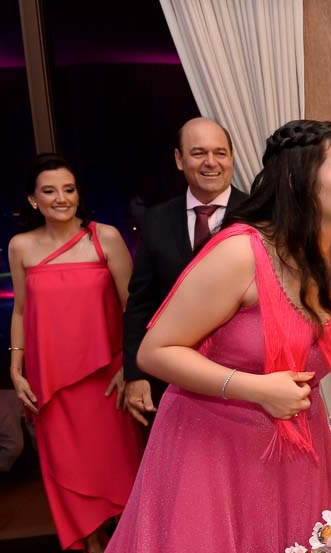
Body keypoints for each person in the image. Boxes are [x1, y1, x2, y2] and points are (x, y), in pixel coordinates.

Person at [50, 120, 331, 553]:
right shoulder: (242, 252)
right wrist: (252, 388)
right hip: (210, 457)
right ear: (298, 181)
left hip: (296, 453)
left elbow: (328, 346)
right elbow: (156, 351)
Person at [7, 153, 143, 553]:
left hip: (106, 378)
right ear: (34, 199)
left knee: (116, 463)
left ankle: (132, 551)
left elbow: (133, 307)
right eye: (49, 191)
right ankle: (93, 548)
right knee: (68, 466)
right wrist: (16, 368)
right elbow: (21, 310)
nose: (61, 198)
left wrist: (130, 366)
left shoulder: (105, 238)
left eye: (68, 189)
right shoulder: (21, 246)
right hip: (50, 380)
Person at [123, 117, 248, 426]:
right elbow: (141, 302)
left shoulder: (260, 216)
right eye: (199, 153)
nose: (211, 162)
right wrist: (135, 373)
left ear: (232, 157)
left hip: (244, 379)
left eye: (220, 153)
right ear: (179, 159)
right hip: (171, 377)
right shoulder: (157, 219)